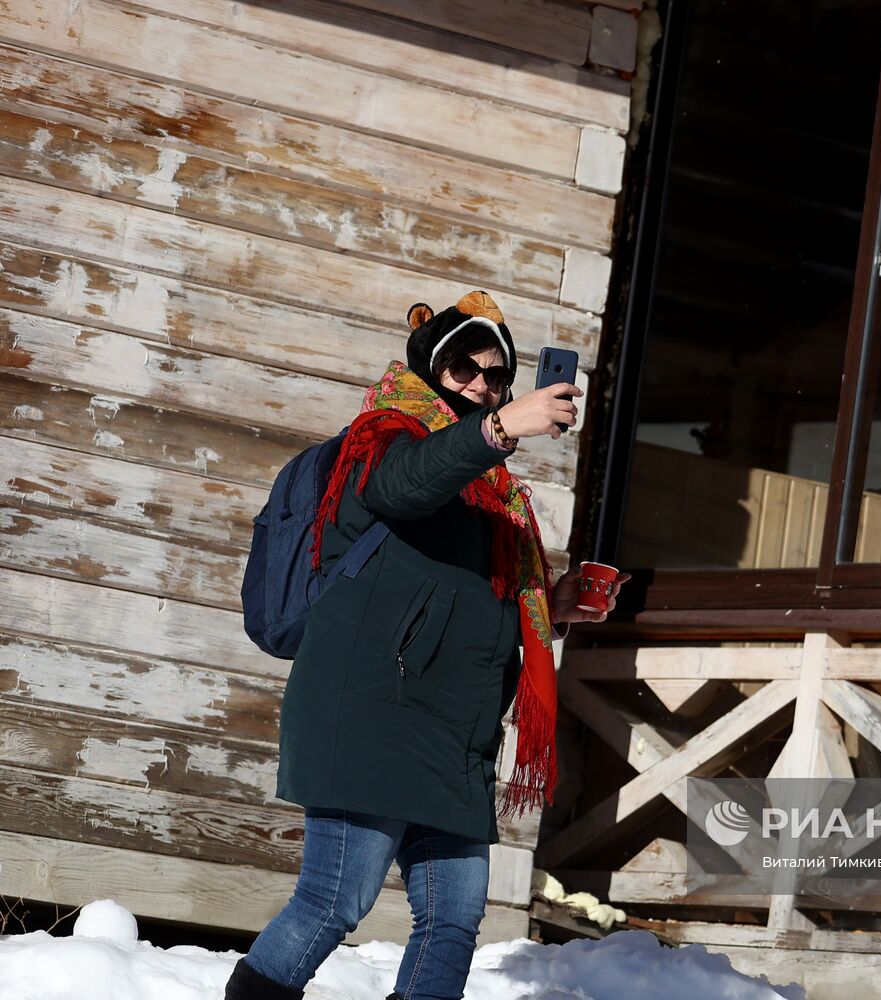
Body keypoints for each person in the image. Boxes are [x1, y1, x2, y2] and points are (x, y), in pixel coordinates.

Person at [225, 290, 628, 1000]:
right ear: (428, 369)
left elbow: (465, 596)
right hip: (372, 708)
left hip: (453, 729)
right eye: (461, 369)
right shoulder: (384, 436)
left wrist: (553, 606)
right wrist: (500, 426)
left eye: (495, 375)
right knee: (332, 903)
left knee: (452, 918)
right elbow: (399, 490)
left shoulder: (487, 488)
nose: (479, 385)